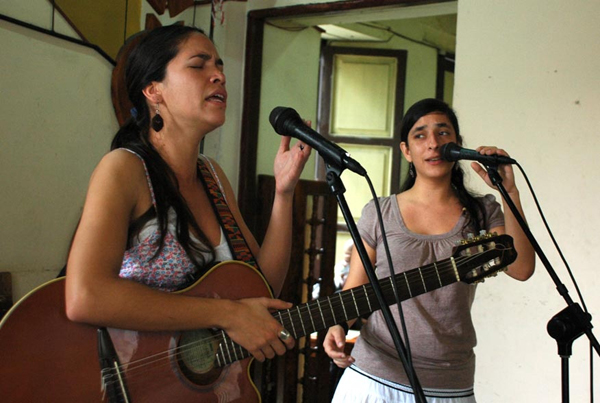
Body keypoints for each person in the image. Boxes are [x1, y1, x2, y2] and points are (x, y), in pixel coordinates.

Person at [65, 24, 311, 365]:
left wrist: (284, 194)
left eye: (220, 65)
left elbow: (260, 290)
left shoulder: (212, 176)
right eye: (199, 65)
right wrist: (225, 314)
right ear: (153, 90)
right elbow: (85, 296)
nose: (219, 76)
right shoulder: (124, 169)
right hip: (128, 381)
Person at [324, 98, 535, 402]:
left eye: (443, 133)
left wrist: (508, 192)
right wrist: (338, 324)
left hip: (450, 382)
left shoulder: (481, 211)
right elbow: (354, 291)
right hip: (374, 375)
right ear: (406, 151)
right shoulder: (380, 212)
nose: (433, 143)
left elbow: (522, 268)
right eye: (420, 135)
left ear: (458, 145)